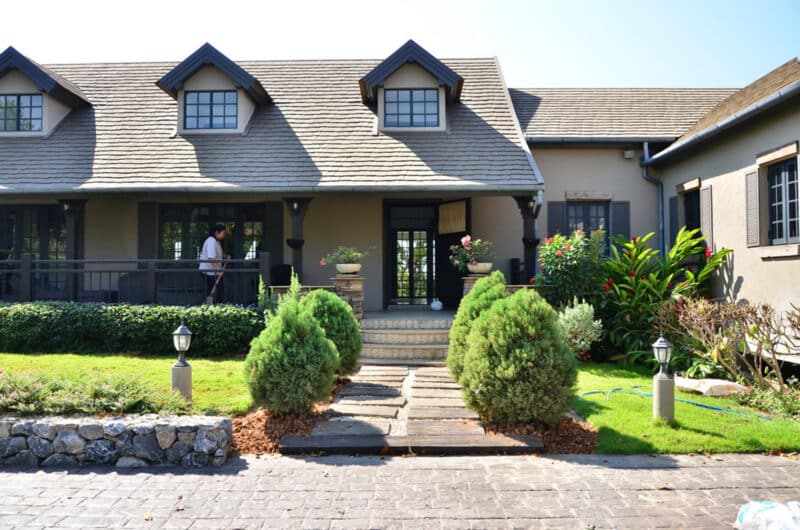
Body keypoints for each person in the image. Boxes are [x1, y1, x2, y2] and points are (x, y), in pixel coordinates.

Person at [199, 224, 228, 303]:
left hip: (214, 272)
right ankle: (208, 306)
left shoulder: (217, 242)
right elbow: (211, 259)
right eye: (223, 233)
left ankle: (216, 305)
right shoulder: (211, 241)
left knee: (218, 291)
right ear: (217, 232)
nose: (224, 236)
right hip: (208, 273)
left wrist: (226, 256)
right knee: (210, 292)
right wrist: (219, 270)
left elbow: (219, 253)